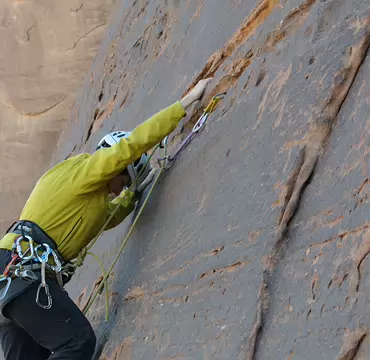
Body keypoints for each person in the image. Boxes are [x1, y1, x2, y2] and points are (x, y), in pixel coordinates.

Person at [0, 78, 212, 360]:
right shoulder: (87, 172)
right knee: (77, 343)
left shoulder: (84, 196)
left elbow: (109, 215)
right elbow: (131, 146)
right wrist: (183, 105)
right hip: (18, 273)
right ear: (114, 167)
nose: (120, 191)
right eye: (123, 182)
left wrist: (137, 192)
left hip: (11, 280)